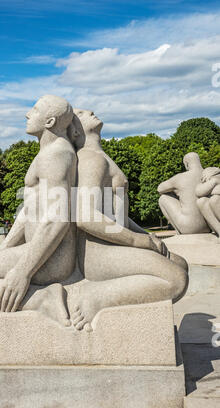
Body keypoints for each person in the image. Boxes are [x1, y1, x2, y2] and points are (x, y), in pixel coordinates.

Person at [0, 95, 77, 326]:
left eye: (35, 109)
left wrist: (23, 272)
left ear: (49, 122)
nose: (27, 114)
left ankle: (41, 300)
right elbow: (28, 211)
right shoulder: (48, 153)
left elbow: (58, 218)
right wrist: (3, 251)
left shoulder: (55, 154)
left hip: (51, 257)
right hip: (39, 250)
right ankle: (39, 298)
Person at [66, 109, 189, 332]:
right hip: (100, 252)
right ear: (74, 130)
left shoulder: (100, 157)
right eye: (82, 113)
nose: (90, 112)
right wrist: (136, 241)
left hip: (114, 245)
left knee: (179, 263)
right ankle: (97, 296)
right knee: (176, 279)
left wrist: (143, 233)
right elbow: (85, 216)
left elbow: (116, 215)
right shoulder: (91, 159)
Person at [158, 153, 210, 235]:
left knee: (163, 198)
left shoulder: (181, 177)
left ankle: (179, 232)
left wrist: (175, 189)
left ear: (186, 164)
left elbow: (160, 189)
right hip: (209, 225)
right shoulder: (209, 174)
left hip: (189, 227)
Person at [196, 167, 220, 239]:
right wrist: (214, 182)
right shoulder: (205, 183)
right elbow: (198, 192)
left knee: (214, 199)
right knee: (201, 201)